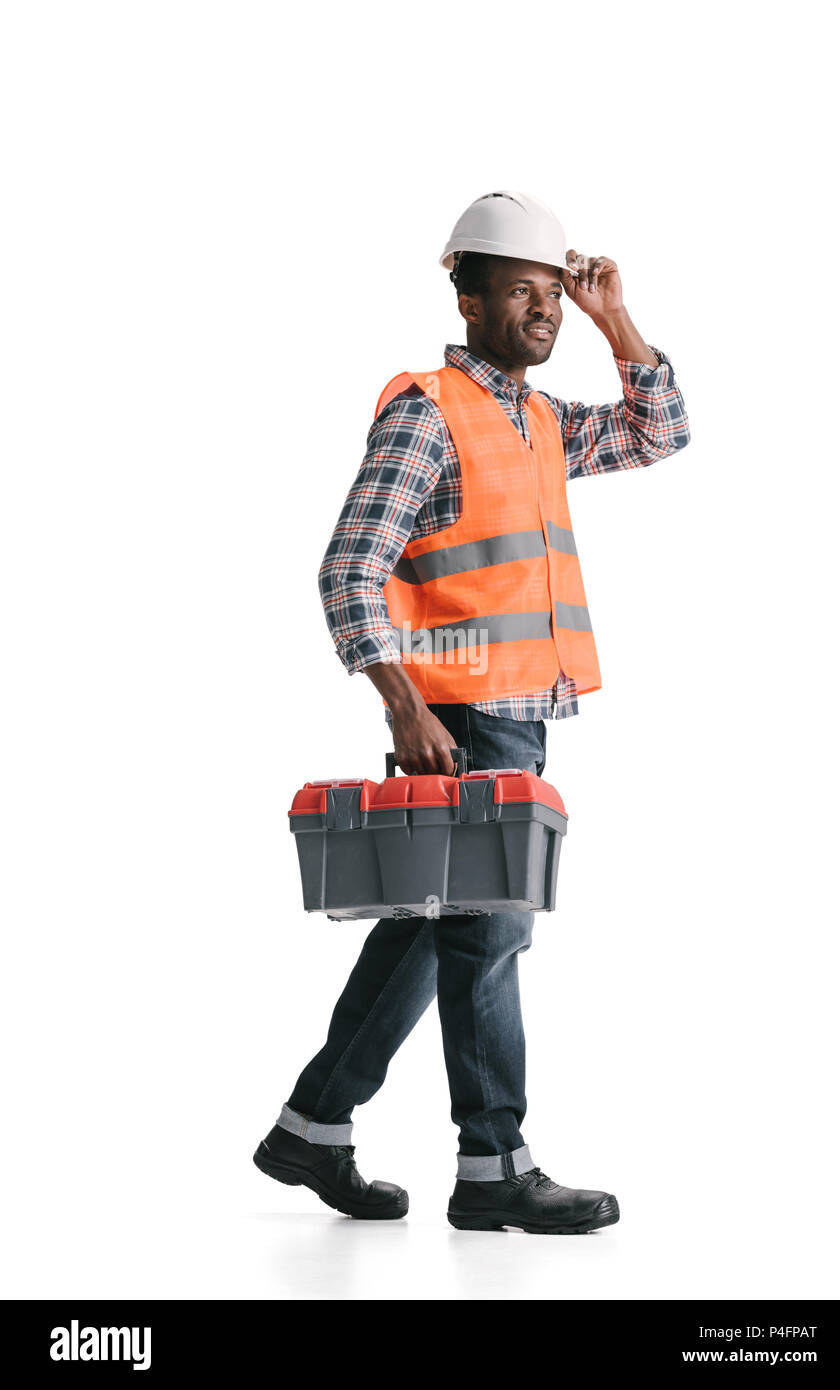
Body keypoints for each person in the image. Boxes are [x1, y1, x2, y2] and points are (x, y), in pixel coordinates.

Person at [253, 191, 691, 1234]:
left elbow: (660, 430)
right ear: (467, 292)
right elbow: (348, 568)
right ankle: (494, 1162)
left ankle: (312, 1126)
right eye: (521, 292)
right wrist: (404, 706)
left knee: (431, 930)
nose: (543, 310)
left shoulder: (538, 420)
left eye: (552, 294)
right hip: (457, 721)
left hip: (518, 719)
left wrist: (613, 320)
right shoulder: (427, 411)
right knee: (489, 938)